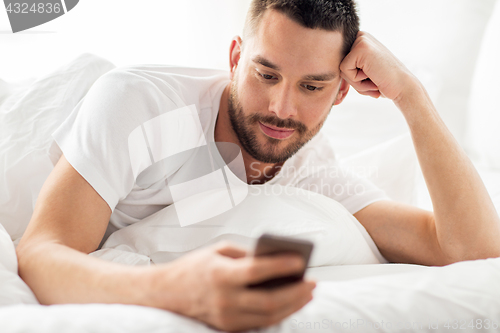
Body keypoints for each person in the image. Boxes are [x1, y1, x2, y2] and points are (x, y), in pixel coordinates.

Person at [16, 0, 500, 332]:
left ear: (341, 91)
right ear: (235, 57)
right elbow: (40, 253)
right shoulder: (138, 104)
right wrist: (174, 291)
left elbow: (468, 249)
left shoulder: (309, 167)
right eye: (266, 74)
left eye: (312, 87)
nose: (282, 108)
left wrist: (410, 95)